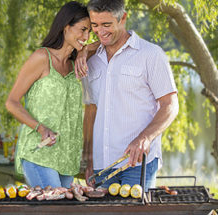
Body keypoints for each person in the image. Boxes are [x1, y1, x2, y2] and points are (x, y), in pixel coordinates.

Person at [77, 0, 179, 191]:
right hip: (101, 165)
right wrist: (87, 158)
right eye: (95, 26)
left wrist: (145, 138)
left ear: (123, 18)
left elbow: (170, 105)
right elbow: (91, 109)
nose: (100, 31)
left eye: (107, 25)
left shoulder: (151, 54)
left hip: (138, 163)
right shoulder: (90, 60)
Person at [5, 1, 91, 189]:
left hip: (67, 158)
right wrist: (41, 128)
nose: (86, 36)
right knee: (54, 207)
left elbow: (109, 42)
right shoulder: (42, 58)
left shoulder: (74, 63)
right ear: (66, 27)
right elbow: (11, 102)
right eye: (83, 29)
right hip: (40, 153)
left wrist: (85, 50)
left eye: (89, 32)